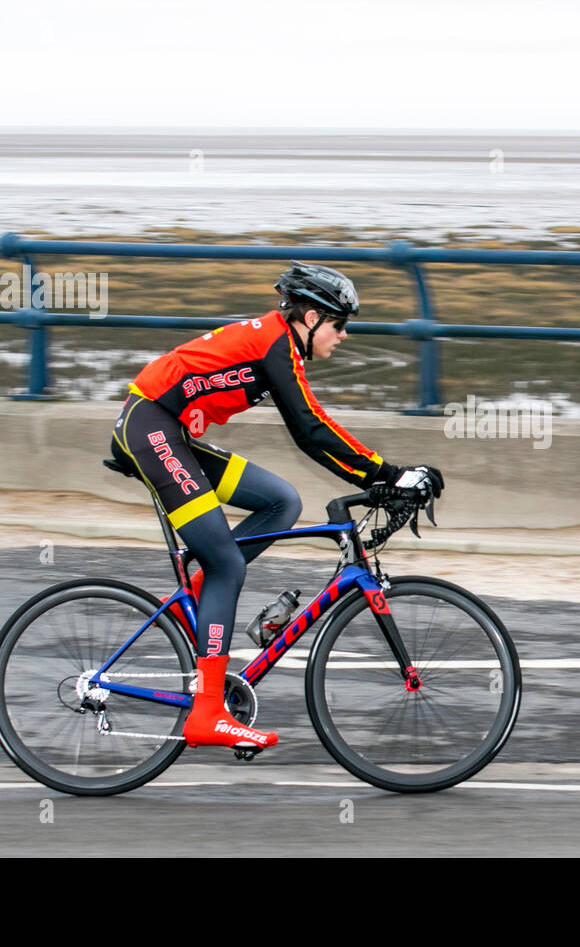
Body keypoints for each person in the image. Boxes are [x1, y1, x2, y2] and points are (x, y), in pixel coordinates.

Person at [108, 261, 443, 752]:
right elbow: (311, 430)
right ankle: (206, 714)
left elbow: (311, 432)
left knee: (281, 501)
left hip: (168, 430)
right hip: (149, 427)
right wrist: (390, 475)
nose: (344, 335)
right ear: (310, 318)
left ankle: (201, 600)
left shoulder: (278, 344)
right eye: (339, 324)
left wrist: (379, 474)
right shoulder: (274, 345)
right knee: (227, 565)